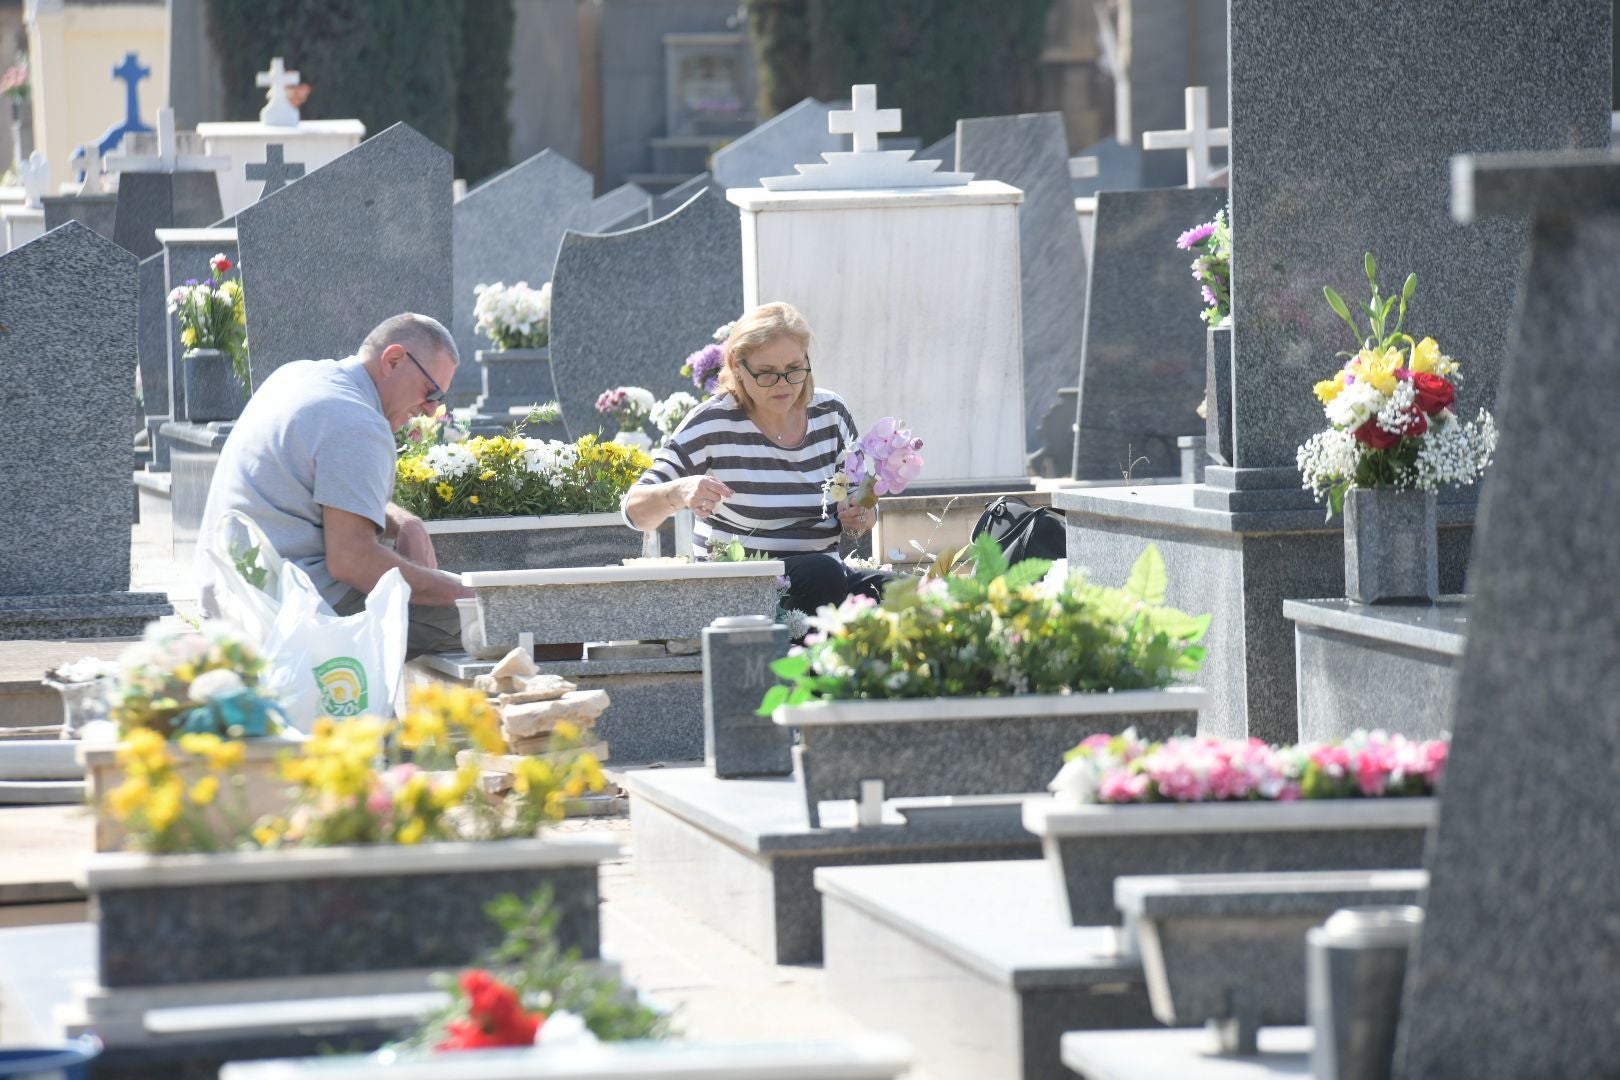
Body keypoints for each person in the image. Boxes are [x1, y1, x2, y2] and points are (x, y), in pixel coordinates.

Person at [195, 313, 472, 657]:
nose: (432, 411)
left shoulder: (297, 377)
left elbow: (318, 483)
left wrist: (403, 521)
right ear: (394, 360)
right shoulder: (356, 421)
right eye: (431, 392)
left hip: (228, 597)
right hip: (287, 615)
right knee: (479, 618)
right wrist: (469, 593)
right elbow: (352, 561)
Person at [622, 301, 895, 616]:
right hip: (741, 591)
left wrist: (860, 514)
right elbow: (634, 511)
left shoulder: (830, 413)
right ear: (737, 366)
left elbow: (862, 509)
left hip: (825, 579)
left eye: (794, 369)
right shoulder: (712, 423)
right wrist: (679, 492)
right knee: (822, 575)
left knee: (919, 596)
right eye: (766, 374)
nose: (783, 385)